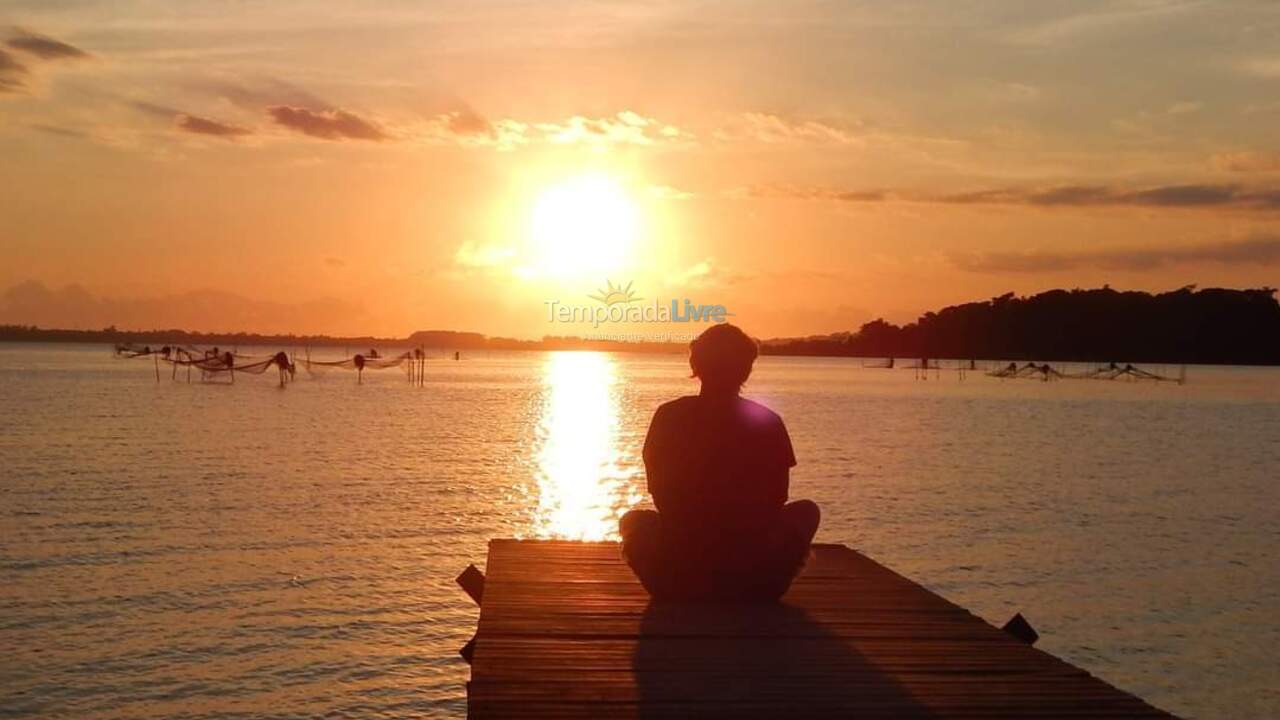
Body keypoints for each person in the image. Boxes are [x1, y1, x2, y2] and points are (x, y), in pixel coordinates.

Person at [619, 323, 820, 602]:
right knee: (807, 511)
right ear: (747, 368)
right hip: (755, 580)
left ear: (696, 364)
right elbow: (777, 497)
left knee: (635, 520)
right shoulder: (767, 421)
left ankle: (680, 580)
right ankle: (765, 581)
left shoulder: (669, 417)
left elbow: (661, 494)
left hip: (677, 579)